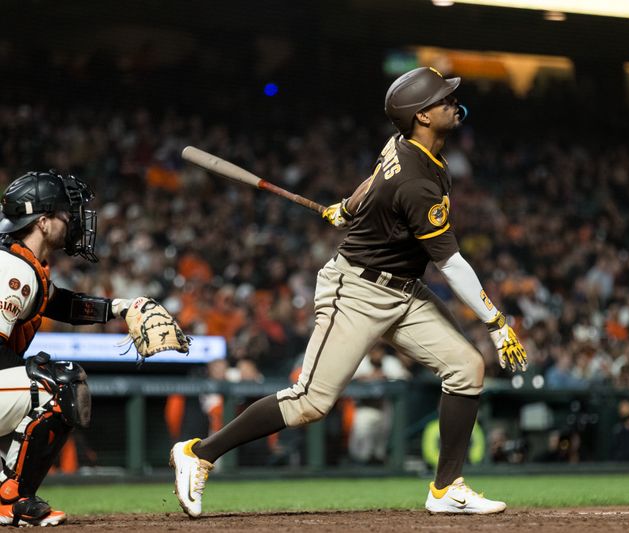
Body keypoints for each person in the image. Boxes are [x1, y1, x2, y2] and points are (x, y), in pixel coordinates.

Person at [170, 66, 528, 516]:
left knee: (466, 368)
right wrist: (495, 322)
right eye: (443, 100)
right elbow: (451, 265)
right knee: (311, 403)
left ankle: (446, 488)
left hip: (404, 291)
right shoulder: (417, 178)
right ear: (421, 116)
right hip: (356, 289)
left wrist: (349, 205)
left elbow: (378, 178)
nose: (453, 103)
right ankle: (199, 453)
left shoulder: (405, 145)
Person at [0, 171, 157, 526]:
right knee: (59, 386)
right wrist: (25, 374)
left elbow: (61, 305)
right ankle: (8, 499)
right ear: (42, 222)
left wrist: (122, 307)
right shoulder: (9, 267)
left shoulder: (21, 261)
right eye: (65, 213)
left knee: (46, 381)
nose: (73, 220)